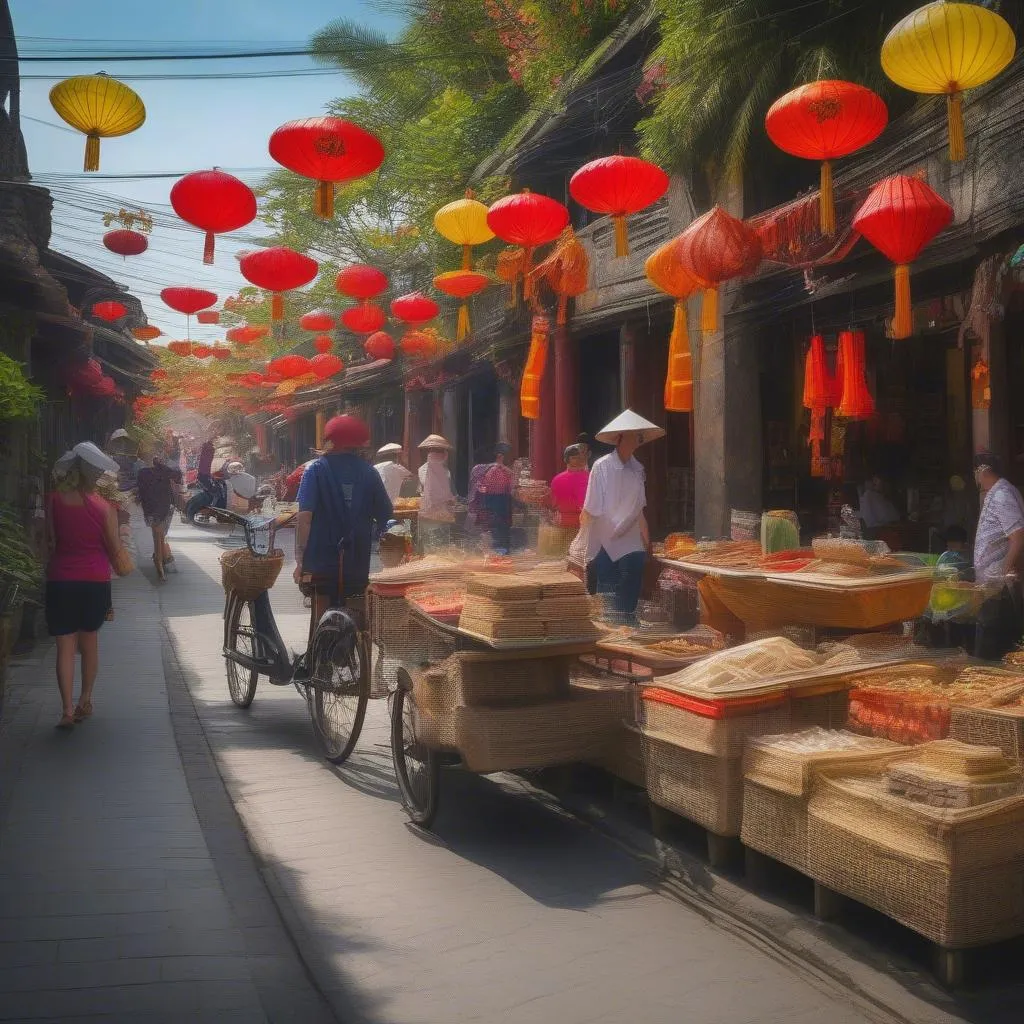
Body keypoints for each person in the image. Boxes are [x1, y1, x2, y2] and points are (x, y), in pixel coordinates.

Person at [293, 415, 393, 638]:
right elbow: (385, 516)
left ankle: (318, 658)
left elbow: (305, 517)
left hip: (320, 560)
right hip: (356, 560)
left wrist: (301, 560)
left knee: (321, 609)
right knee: (357, 610)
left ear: (329, 441)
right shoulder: (370, 472)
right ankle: (356, 652)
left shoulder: (315, 470)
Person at [45, 442, 122, 729]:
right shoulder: (104, 507)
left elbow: (50, 541)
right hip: (95, 580)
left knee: (64, 645)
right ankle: (85, 700)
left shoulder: (53, 500)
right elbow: (114, 549)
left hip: (61, 579)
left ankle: (66, 710)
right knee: (89, 643)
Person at [580, 410, 662, 624]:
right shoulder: (602, 467)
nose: (638, 439)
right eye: (634, 435)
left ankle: (627, 633)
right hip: (605, 540)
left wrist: (647, 539)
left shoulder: (638, 470)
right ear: (619, 438)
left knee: (629, 595)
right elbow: (590, 508)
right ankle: (609, 637)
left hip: (632, 540)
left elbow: (639, 509)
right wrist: (583, 543)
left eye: (639, 436)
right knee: (607, 595)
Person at [972, 452, 1024, 660]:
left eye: (974, 473)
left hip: (998, 587)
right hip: (992, 583)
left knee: (992, 651)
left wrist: (1001, 574)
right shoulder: (995, 493)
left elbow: (1018, 536)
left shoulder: (1002, 494)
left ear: (981, 471)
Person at [136, 448, 183, 581]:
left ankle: (161, 562)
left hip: (154, 508)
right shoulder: (158, 470)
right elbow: (178, 477)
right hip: (159, 508)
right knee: (159, 535)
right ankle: (161, 563)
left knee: (158, 535)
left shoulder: (142, 471)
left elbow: (177, 477)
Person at [417, 434, 456, 551]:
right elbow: (441, 493)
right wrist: (450, 499)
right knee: (439, 546)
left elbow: (422, 489)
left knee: (431, 545)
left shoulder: (423, 469)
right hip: (438, 514)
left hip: (430, 512)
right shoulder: (443, 471)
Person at [478, 443, 514, 553]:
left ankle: (501, 554)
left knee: (501, 531)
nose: (510, 459)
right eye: (508, 456)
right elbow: (504, 488)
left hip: (500, 503)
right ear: (500, 456)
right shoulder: (495, 470)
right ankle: (499, 555)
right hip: (496, 504)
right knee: (498, 532)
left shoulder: (503, 470)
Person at [549, 443, 590, 531]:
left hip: (568, 524)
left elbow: (553, 505)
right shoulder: (590, 478)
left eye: (580, 457)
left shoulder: (590, 477)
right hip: (582, 524)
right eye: (575, 457)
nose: (579, 460)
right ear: (567, 459)